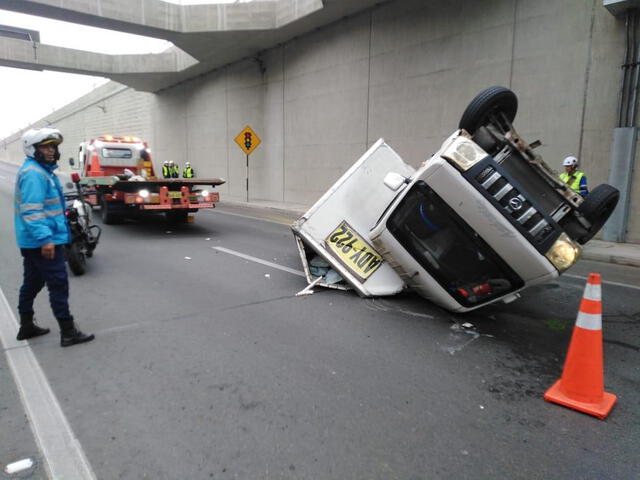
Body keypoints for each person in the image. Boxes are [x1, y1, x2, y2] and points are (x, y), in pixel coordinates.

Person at [15, 127, 95, 347]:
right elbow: (31, 211)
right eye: (45, 146)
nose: (51, 151)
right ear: (32, 149)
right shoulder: (34, 174)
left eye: (53, 146)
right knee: (58, 284)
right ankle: (68, 332)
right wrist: (46, 240)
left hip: (33, 240)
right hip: (42, 240)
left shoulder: (41, 171)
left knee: (32, 283)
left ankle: (26, 326)